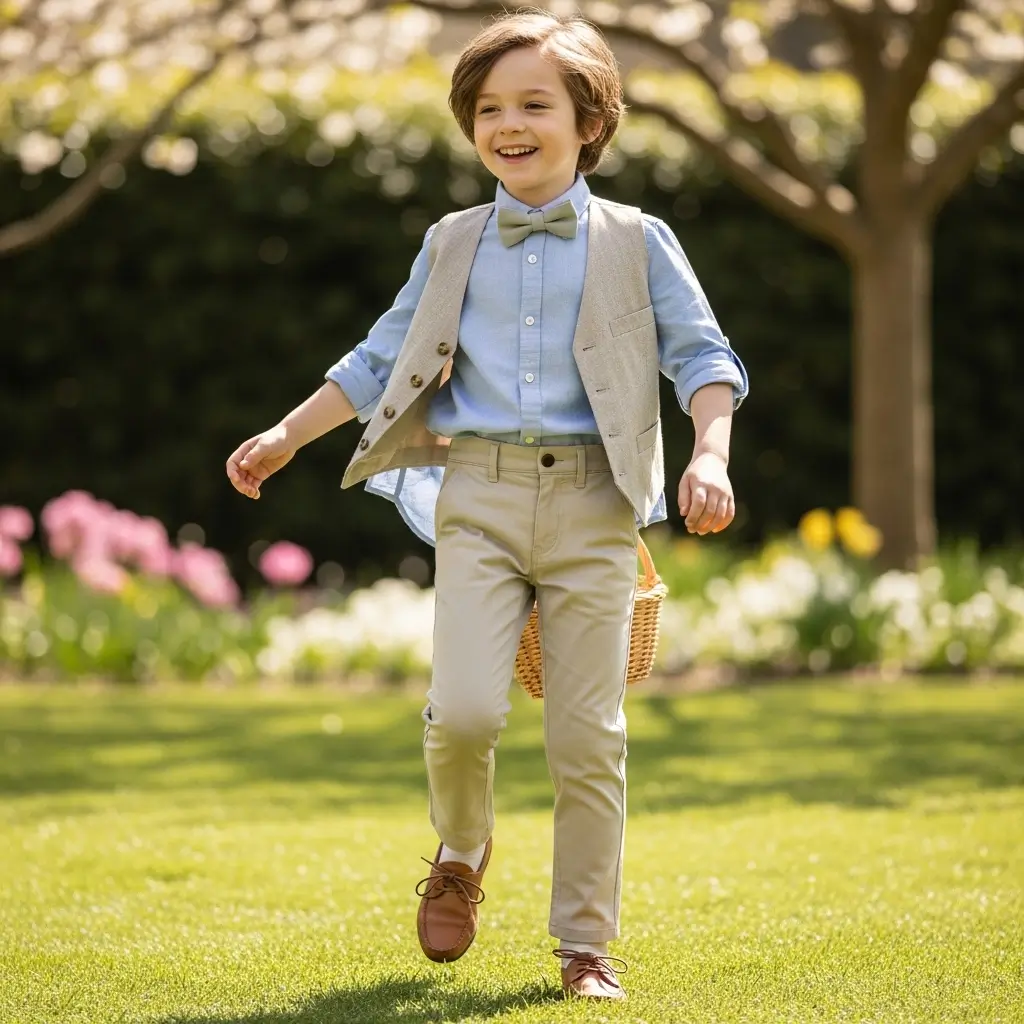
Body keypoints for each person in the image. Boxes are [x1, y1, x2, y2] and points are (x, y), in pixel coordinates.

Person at [226, 9, 748, 1002]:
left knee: (585, 736)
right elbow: (379, 356)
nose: (508, 124)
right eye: (489, 108)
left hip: (596, 503)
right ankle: (462, 851)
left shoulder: (639, 240)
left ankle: (584, 947)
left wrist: (710, 453)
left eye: (533, 105)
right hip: (480, 495)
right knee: (462, 714)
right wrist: (287, 435)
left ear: (589, 121)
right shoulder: (451, 241)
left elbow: (703, 359)